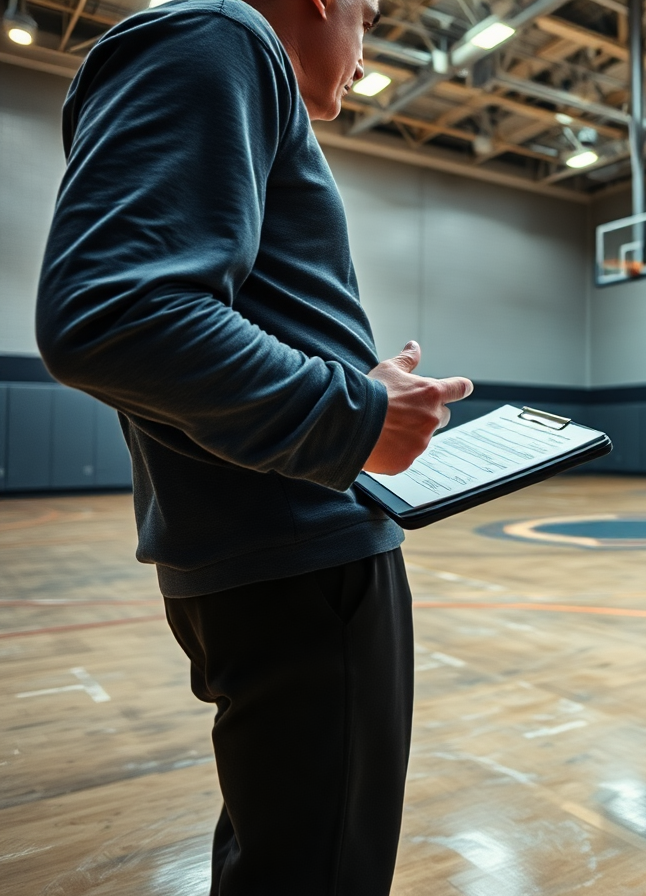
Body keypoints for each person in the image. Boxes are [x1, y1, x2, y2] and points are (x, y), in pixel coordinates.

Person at [35, 1, 473, 893]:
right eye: (368, 17)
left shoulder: (212, 54)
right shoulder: (220, 36)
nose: (366, 50)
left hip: (264, 552)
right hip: (302, 559)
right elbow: (113, 314)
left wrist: (357, 388)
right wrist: (354, 413)